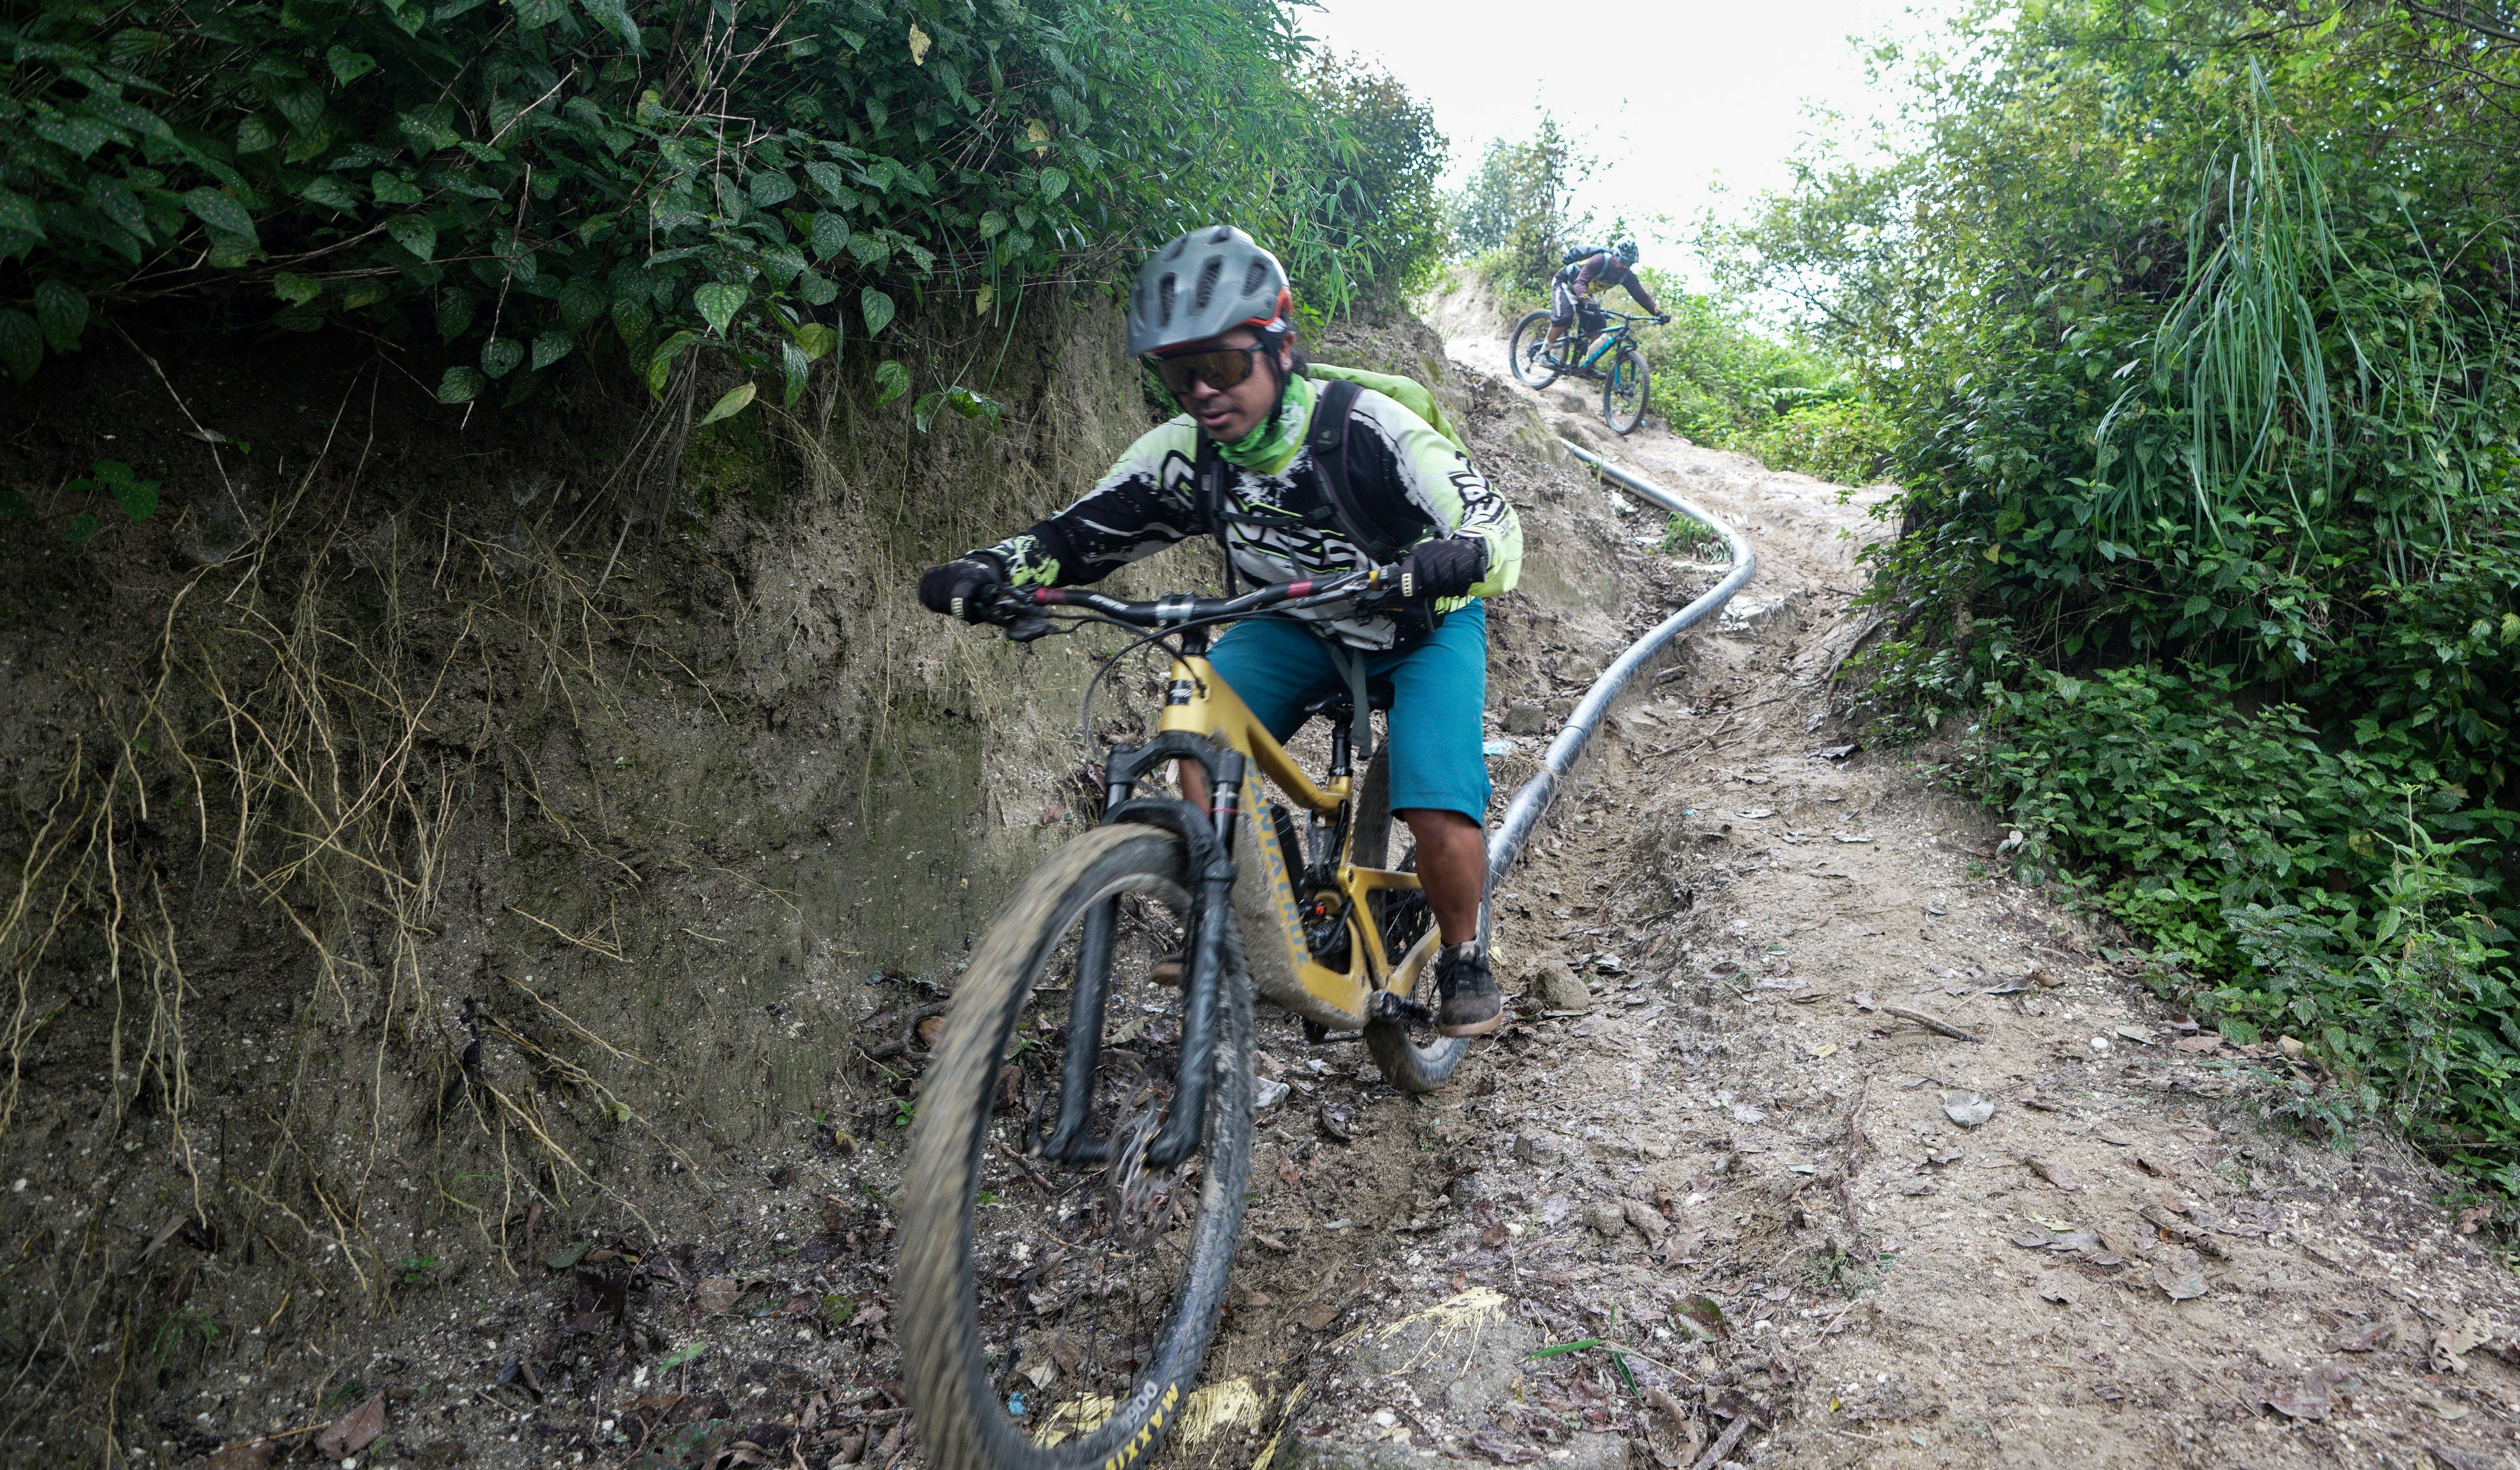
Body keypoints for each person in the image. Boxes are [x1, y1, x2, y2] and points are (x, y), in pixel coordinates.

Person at [916, 225, 1523, 1037]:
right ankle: (1222, 913)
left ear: (1278, 347)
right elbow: (1075, 538)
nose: (1202, 391)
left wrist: (1459, 555)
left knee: (1437, 807)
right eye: (1179, 372)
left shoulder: (1368, 429)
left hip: (1420, 623)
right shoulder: (1186, 456)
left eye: (1224, 365)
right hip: (1297, 622)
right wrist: (993, 568)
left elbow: (1493, 521)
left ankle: (1461, 954)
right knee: (1197, 731)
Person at [1546, 240, 1666, 366]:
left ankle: (1587, 367)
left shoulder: (1626, 275)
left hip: (1586, 293)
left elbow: (1642, 297)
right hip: (1565, 283)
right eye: (1623, 261)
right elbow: (1580, 282)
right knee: (1564, 317)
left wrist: (1659, 313)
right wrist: (1587, 300)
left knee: (1599, 326)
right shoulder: (1600, 260)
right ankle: (1544, 353)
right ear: (1615, 256)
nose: (1625, 266)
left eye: (1630, 264)